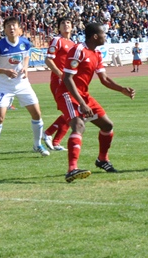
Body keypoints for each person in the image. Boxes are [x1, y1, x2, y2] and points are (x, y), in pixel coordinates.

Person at [55, 22, 135, 182]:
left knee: (107, 126)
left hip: (83, 95)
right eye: (104, 34)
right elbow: (67, 78)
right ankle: (72, 169)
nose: (106, 36)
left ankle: (102, 160)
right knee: (79, 126)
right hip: (67, 94)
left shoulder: (96, 53)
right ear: (95, 36)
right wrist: (82, 104)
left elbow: (104, 79)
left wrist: (121, 89)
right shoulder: (78, 51)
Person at [0, 16, 47, 161]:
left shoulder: (25, 42)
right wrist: (5, 71)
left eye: (14, 26)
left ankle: (37, 145)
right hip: (5, 86)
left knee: (37, 114)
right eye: (8, 26)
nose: (11, 28)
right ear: (5, 30)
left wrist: (25, 67)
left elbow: (26, 56)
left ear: (19, 29)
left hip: (23, 84)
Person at [42, 17, 76, 152]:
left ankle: (55, 140)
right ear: (59, 28)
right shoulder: (57, 41)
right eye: (62, 23)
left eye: (68, 22)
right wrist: (60, 74)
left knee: (73, 112)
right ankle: (49, 134)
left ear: (72, 26)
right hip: (59, 81)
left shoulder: (73, 44)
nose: (66, 25)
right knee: (71, 112)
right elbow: (48, 60)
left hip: (70, 82)